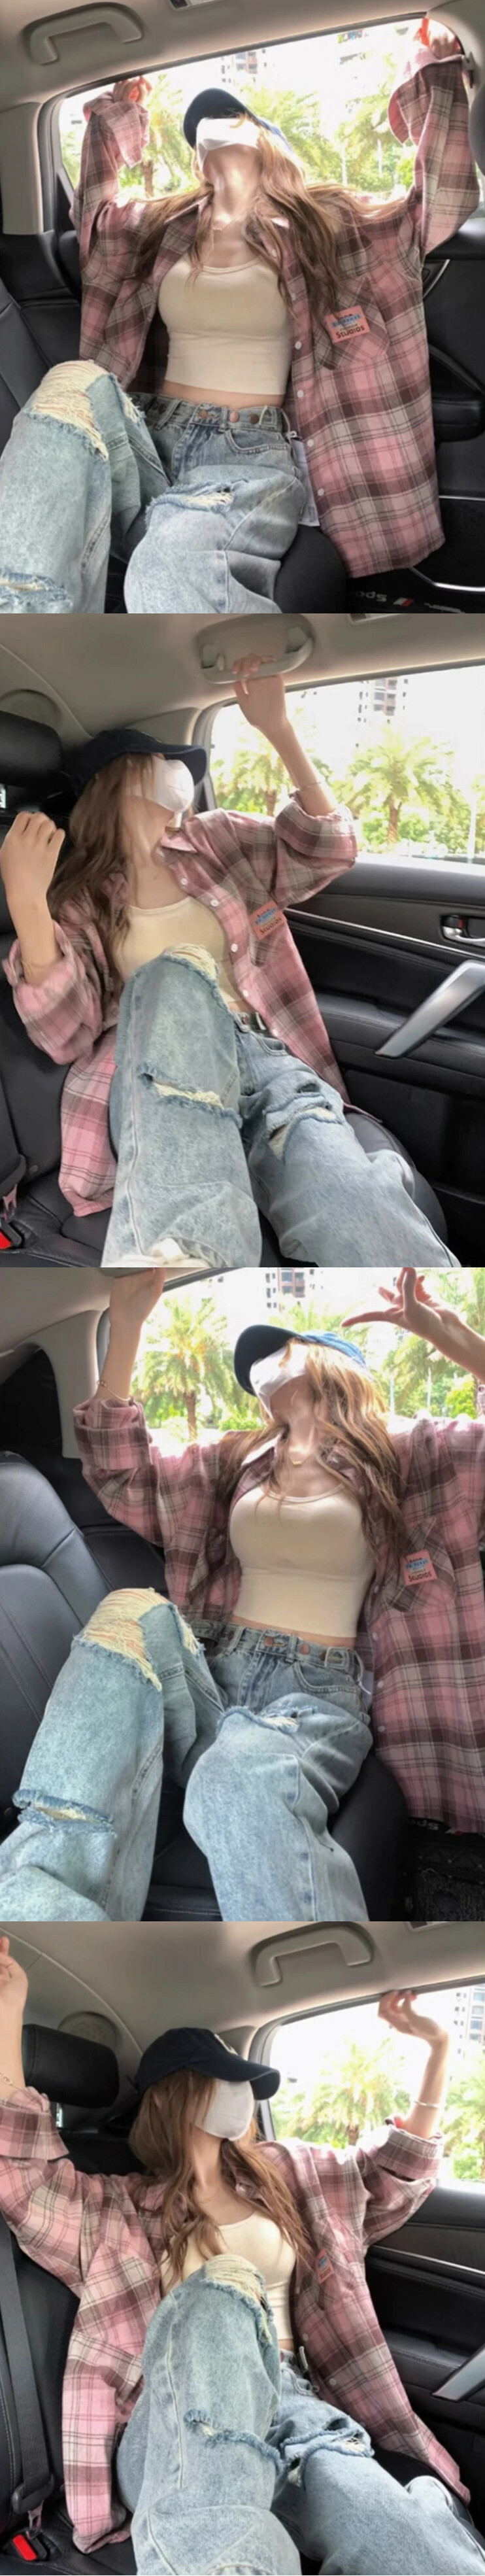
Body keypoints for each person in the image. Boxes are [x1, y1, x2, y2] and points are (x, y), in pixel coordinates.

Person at [1, 1268, 485, 1924]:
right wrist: (128, 1326)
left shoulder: (410, 1456)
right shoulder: (233, 1460)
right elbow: (120, 1473)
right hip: (213, 1671)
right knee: (129, 1612)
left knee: (233, 1777)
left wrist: (451, 1337)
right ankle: (41, 1915)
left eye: (281, 1349)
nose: (262, 1365)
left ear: (334, 1366)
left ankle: (321, 1969)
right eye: (257, 1361)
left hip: (312, 1697)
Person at [0, 1962, 483, 2575]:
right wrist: (9, 2011)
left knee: (408, 2542)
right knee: (222, 2292)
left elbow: (394, 2173)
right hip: (172, 2419)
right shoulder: (118, 2208)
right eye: (229, 2080)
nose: (246, 2096)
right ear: (177, 2093)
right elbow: (23, 2180)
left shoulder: (291, 2174)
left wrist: (438, 2051)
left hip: (297, 2407)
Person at [0, 24, 478, 615]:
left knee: (164, 569)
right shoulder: (159, 227)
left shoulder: (334, 228)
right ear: (196, 161)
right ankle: (24, 623)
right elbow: (95, 213)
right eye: (201, 122)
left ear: (271, 143)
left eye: (234, 114)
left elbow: (442, 201)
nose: (213, 120)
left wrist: (434, 75)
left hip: (245, 453)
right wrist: (118, 116)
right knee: (72, 384)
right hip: (147, 433)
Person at [0, 674, 452, 1269]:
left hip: (268, 1059)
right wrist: (29, 906)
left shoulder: (218, 840)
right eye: (161, 766)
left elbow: (329, 849)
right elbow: (64, 1036)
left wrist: (280, 732)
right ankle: (189, 1252)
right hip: (157, 1071)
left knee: (358, 1203)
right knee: (173, 976)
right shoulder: (79, 899)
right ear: (118, 782)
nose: (179, 778)